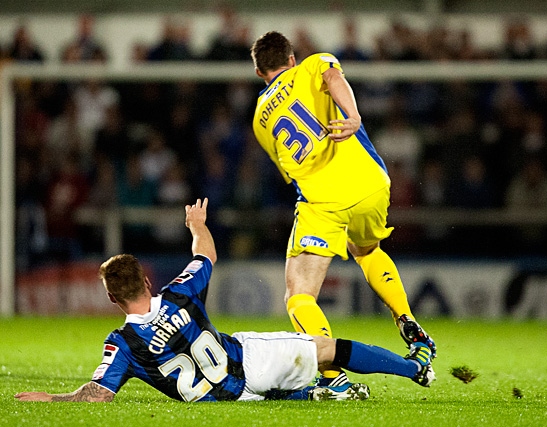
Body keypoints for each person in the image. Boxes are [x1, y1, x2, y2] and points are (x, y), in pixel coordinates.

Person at [14, 198, 435, 403]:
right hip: (248, 360)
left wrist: (55, 399)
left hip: (227, 396)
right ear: (146, 279)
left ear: (111, 298)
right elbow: (206, 255)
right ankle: (413, 367)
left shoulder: (122, 344)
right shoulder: (179, 294)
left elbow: (99, 392)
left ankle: (318, 395)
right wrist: (196, 224)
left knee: (260, 392)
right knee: (328, 349)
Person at [250, 31, 436, 388]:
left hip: (324, 200)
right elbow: (334, 77)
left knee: (300, 294)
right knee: (368, 251)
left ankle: (334, 379)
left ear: (260, 73)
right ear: (291, 59)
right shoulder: (312, 64)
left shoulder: (260, 118)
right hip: (370, 181)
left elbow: (290, 172)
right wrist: (352, 117)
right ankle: (407, 320)